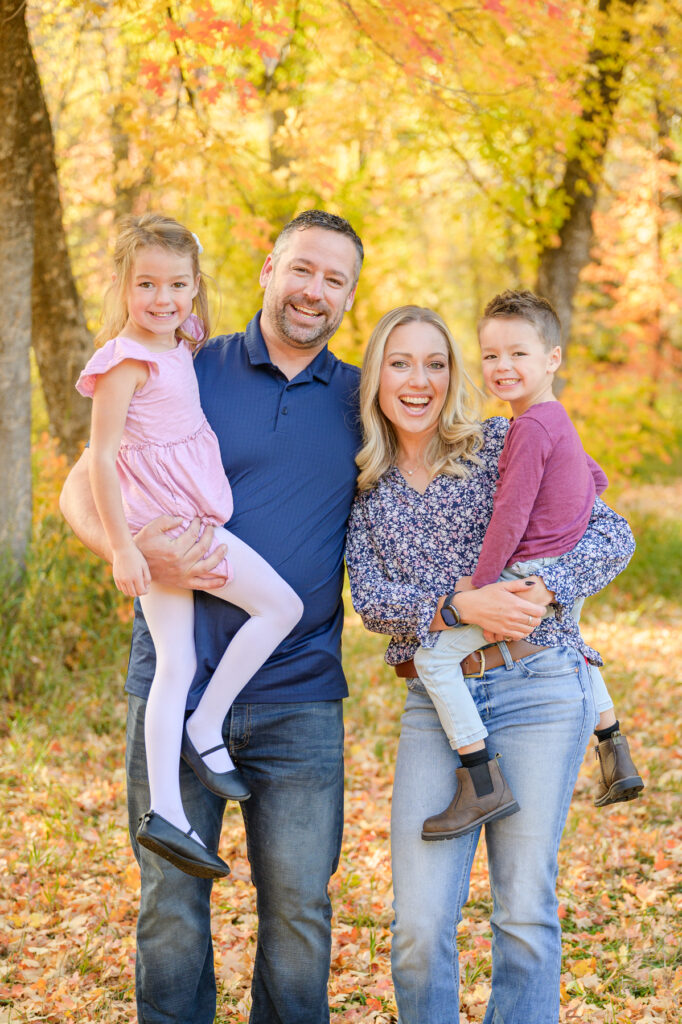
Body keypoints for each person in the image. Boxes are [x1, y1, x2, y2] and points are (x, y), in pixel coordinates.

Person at [60, 210, 364, 1024]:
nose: (314, 290)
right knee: (170, 907)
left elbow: (434, 478)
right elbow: (80, 483)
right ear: (268, 267)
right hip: (176, 667)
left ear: (349, 296)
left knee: (299, 913)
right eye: (303, 268)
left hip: (300, 696)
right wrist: (131, 551)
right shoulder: (190, 359)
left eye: (335, 278)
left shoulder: (360, 398)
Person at [344, 304, 636, 1024]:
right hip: (437, 706)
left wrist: (543, 589)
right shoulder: (364, 489)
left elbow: (610, 533)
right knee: (416, 925)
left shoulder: (504, 442)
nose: (419, 381)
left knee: (524, 912)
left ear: (456, 374)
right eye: (400, 363)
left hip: (539, 687)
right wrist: (458, 606)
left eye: (436, 363)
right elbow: (372, 598)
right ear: (376, 376)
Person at [76, 213, 304, 880]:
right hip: (173, 530)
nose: (163, 299)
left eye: (178, 284)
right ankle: (206, 727)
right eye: (146, 284)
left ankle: (167, 814)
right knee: (281, 608)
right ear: (122, 285)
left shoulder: (181, 341)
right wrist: (124, 549)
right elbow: (99, 458)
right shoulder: (125, 362)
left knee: (176, 661)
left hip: (183, 520)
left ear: (194, 287)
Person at [412, 290, 643, 840]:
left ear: (552, 359)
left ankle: (480, 782)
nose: (501, 367)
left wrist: (483, 582)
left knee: (434, 659)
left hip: (529, 566)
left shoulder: (528, 430)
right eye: (490, 355)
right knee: (569, 635)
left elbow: (509, 517)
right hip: (561, 560)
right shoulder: (555, 420)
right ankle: (615, 749)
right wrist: (567, 520)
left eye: (518, 353)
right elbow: (597, 480)